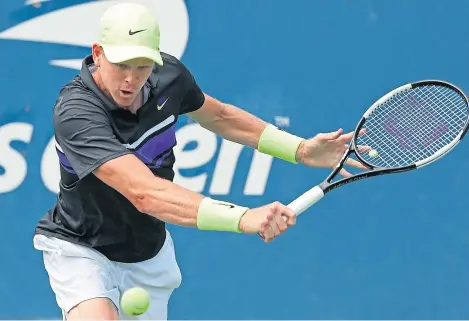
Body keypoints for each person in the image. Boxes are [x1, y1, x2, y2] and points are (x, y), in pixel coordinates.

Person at [33, 2, 367, 320]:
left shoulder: (170, 79)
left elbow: (220, 116)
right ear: (98, 54)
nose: (131, 79)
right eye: (121, 65)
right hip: (82, 246)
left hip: (146, 253)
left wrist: (299, 150)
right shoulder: (77, 112)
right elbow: (145, 193)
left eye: (142, 66)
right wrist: (243, 217)